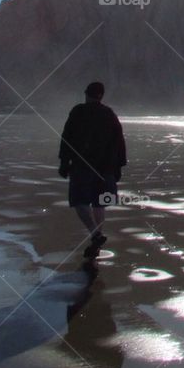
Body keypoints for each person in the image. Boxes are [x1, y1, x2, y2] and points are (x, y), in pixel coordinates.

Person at [58, 82, 127, 258]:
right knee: (99, 203)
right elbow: (119, 141)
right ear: (101, 96)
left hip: (83, 166)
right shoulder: (109, 114)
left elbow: (67, 137)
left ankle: (95, 234)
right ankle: (96, 241)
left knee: (79, 202)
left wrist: (64, 162)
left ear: (86, 94)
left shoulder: (78, 112)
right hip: (106, 168)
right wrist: (119, 166)